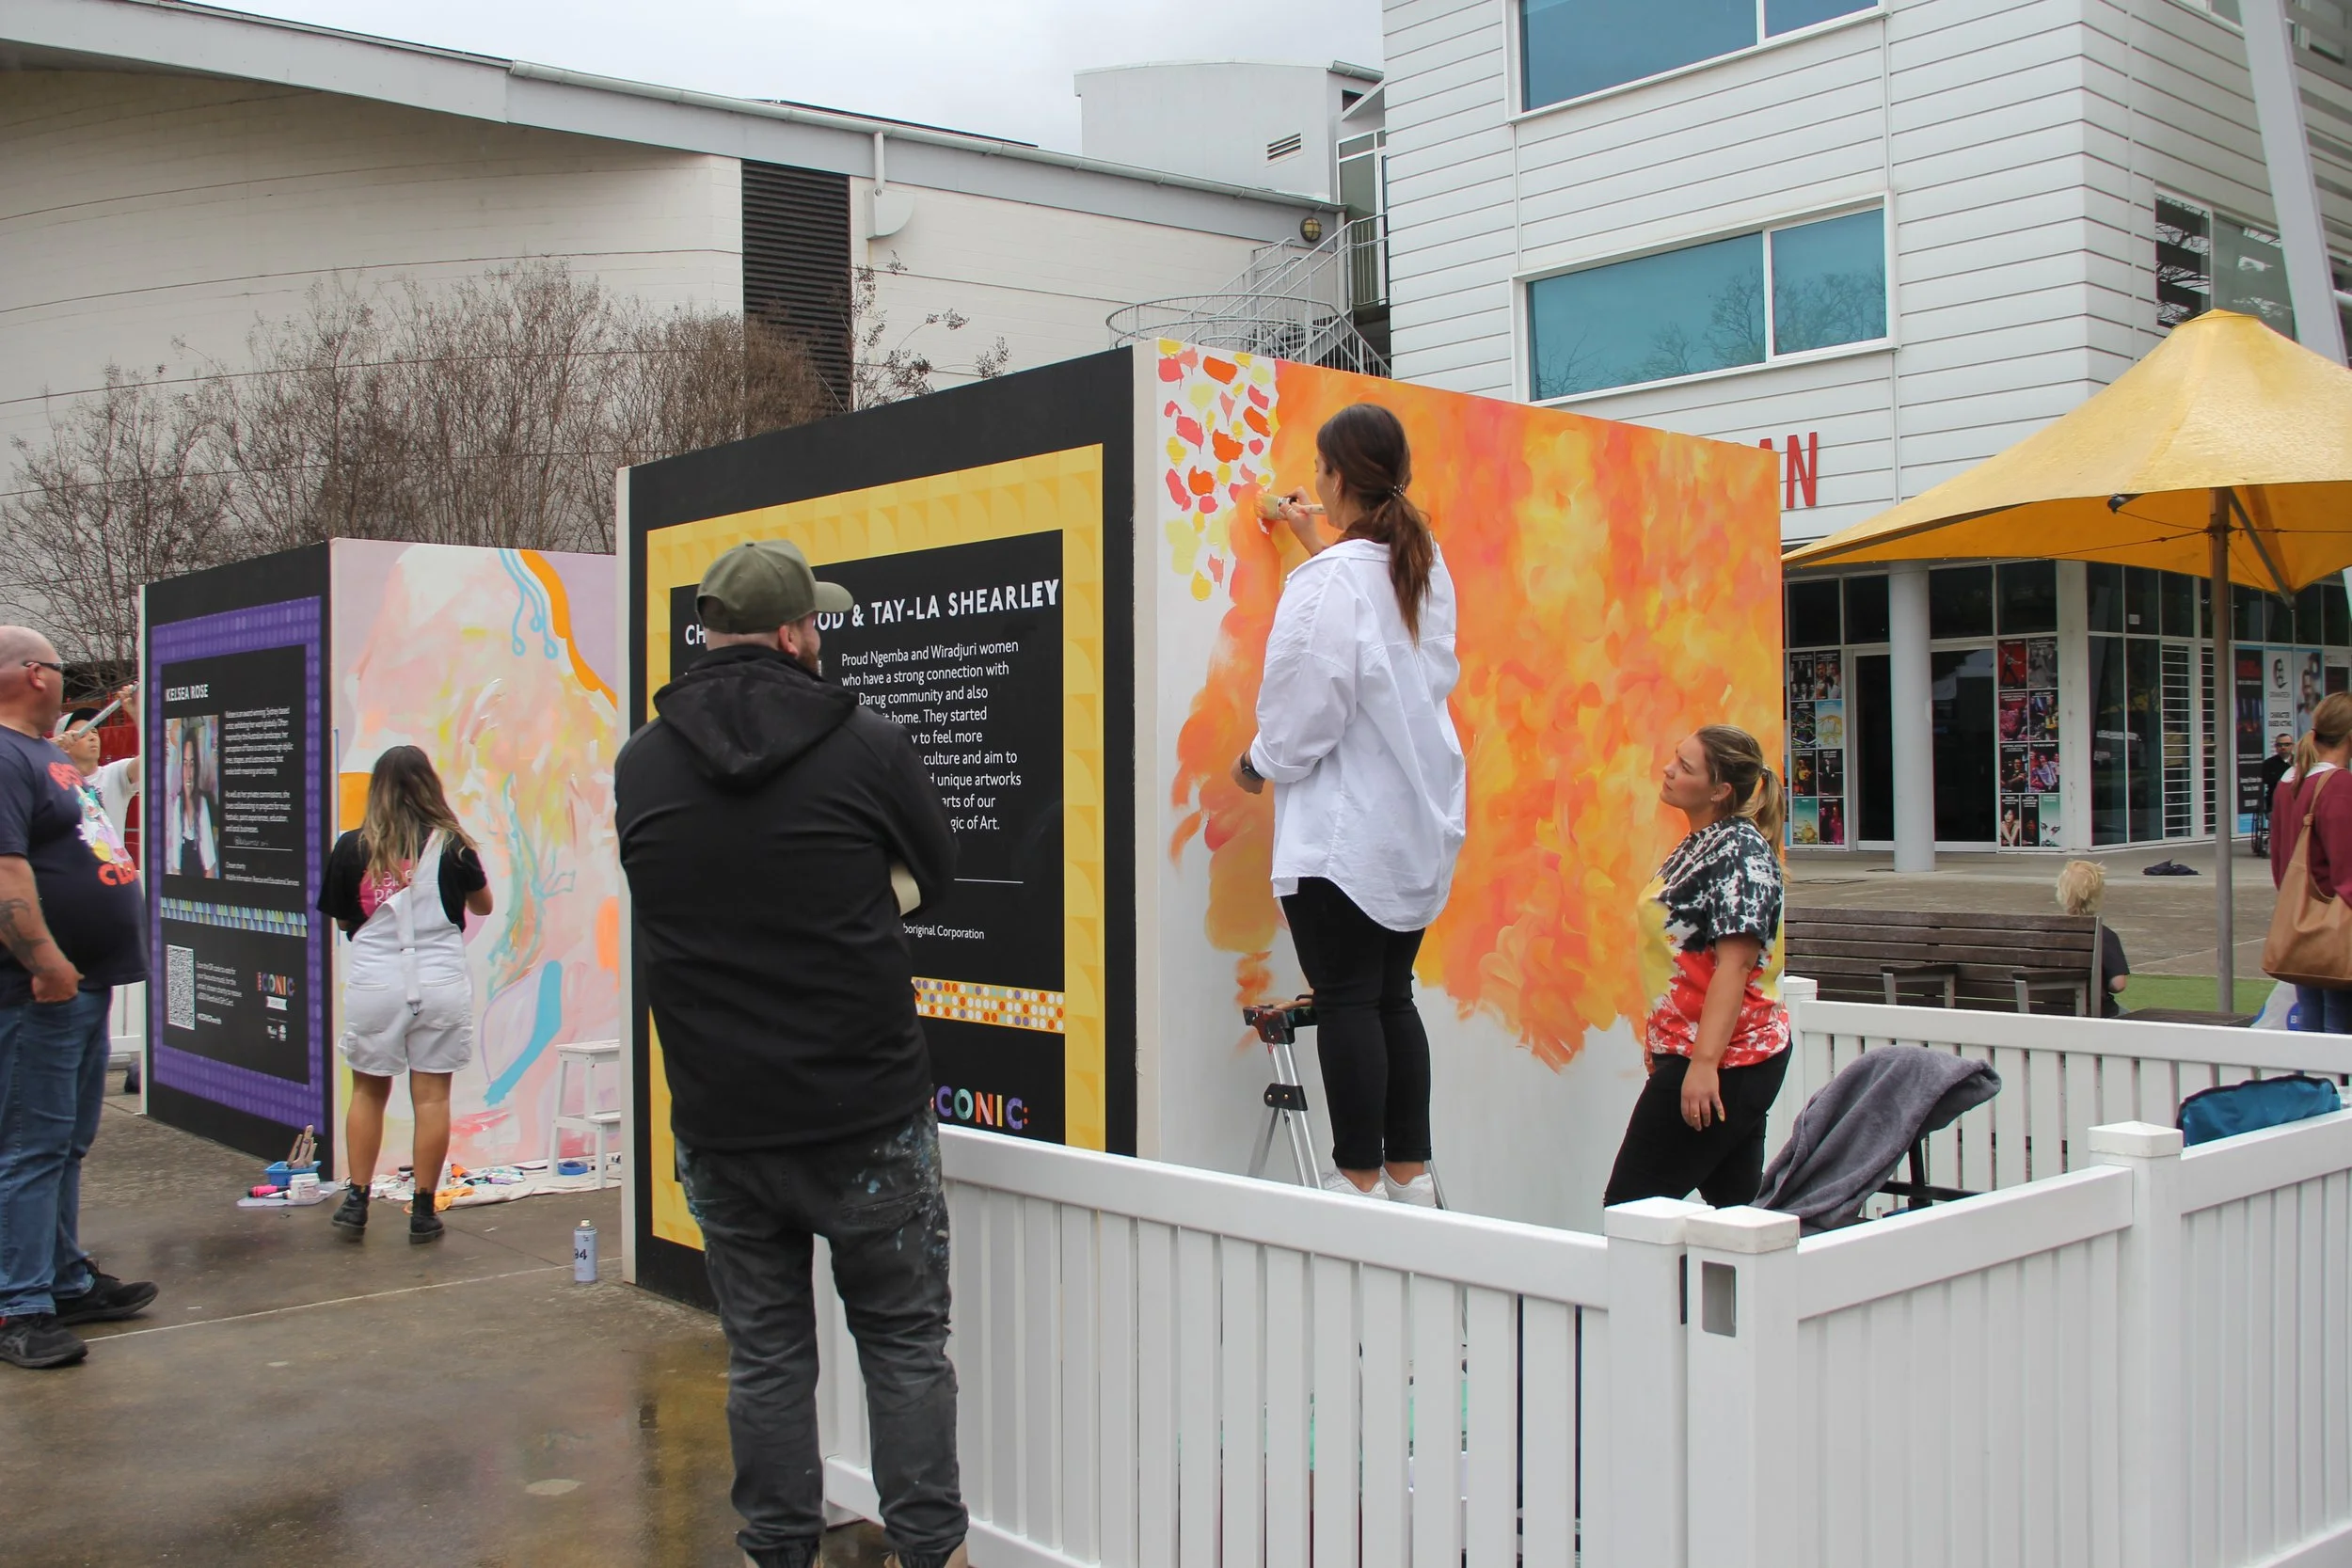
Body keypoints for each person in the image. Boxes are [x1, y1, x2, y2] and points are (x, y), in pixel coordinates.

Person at [615, 540, 965, 1568]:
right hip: (866, 1110)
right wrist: (865, 895)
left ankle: (775, 1552)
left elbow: (670, 893)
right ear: (791, 634)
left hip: (724, 1121)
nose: (822, 634)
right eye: (817, 620)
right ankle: (931, 1552)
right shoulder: (864, 741)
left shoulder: (641, 761)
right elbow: (937, 871)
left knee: (765, 1358)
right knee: (902, 1345)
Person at [1239, 402, 1467, 1206]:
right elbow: (1375, 635)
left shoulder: (1332, 581)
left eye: (1321, 469)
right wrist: (1318, 542)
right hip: (1411, 827)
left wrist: (1255, 761)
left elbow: (1307, 708)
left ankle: (1357, 1178)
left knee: (1345, 999)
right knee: (1389, 996)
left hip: (1341, 839)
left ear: (1335, 476)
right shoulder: (1424, 563)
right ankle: (1408, 1173)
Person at [0, 628, 156, 1370]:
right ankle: (18, 1305)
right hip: (44, 991)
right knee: (31, 1146)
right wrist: (48, 960)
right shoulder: (3, 756)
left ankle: (63, 1279)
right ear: (35, 674)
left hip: (82, 985)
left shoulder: (43, 756)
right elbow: (6, 877)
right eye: (60, 671)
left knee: (66, 1142)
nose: (66, 682)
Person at [1603, 725, 1791, 1210]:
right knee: (1735, 1213)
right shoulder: (1703, 843)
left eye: (1685, 767)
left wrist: (1703, 1065)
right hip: (1702, 1056)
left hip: (1726, 1061)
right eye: (1675, 757)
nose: (1668, 769)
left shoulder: (1740, 855)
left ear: (1720, 789)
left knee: (1631, 1211)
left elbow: (1737, 964)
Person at [315, 746, 493, 1243]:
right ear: (428, 787)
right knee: (432, 1097)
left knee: (369, 1090)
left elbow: (344, 917)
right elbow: (483, 904)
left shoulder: (353, 847)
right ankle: (422, 1210)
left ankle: (356, 1200)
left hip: (376, 980)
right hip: (439, 979)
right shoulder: (453, 845)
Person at [2270, 693, 2352, 1034]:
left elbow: (2279, 861)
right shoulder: (2339, 783)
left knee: (2312, 1017)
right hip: (2335, 920)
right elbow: (2346, 868)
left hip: (2300, 918)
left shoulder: (2289, 780)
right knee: (2339, 1024)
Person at [55, 686, 140, 835]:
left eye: (94, 731)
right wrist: (49, 747)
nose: (93, 737)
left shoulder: (115, 774)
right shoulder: (51, 784)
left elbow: (155, 757)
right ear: (63, 744)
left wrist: (137, 713)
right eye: (83, 733)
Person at [2055, 860, 2131, 1016]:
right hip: (2095, 1011)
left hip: (2053, 1010)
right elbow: (2118, 984)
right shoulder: (2103, 935)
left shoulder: (2047, 934)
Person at [166, 725, 217, 878]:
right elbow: (175, 865)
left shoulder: (202, 804)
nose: (188, 772)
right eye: (185, 763)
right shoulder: (177, 805)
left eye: (192, 764)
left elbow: (210, 868)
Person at [2258, 732, 2295, 857]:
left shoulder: (2299, 761)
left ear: (2292, 746)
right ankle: (2277, 848)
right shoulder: (2269, 763)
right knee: (2276, 821)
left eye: (2286, 744)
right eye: (2280, 745)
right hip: (2275, 802)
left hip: (2295, 801)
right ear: (2276, 747)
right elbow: (2268, 780)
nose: (2283, 747)